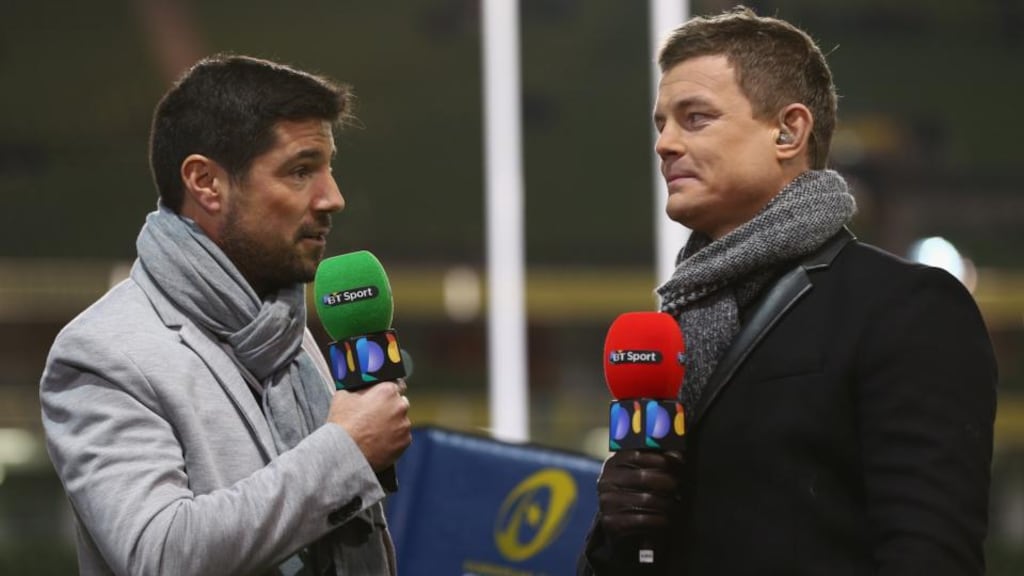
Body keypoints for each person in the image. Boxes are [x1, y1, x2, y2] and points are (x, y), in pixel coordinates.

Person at [579, 7, 997, 575]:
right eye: (661, 124)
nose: (665, 144)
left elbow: (929, 554)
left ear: (788, 130)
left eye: (695, 118)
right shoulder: (674, 329)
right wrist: (622, 534)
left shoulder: (906, 307)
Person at [40, 54, 412, 575]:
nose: (334, 198)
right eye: (301, 170)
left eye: (330, 168)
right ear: (206, 183)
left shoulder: (289, 334)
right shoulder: (104, 353)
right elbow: (162, 554)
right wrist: (344, 455)